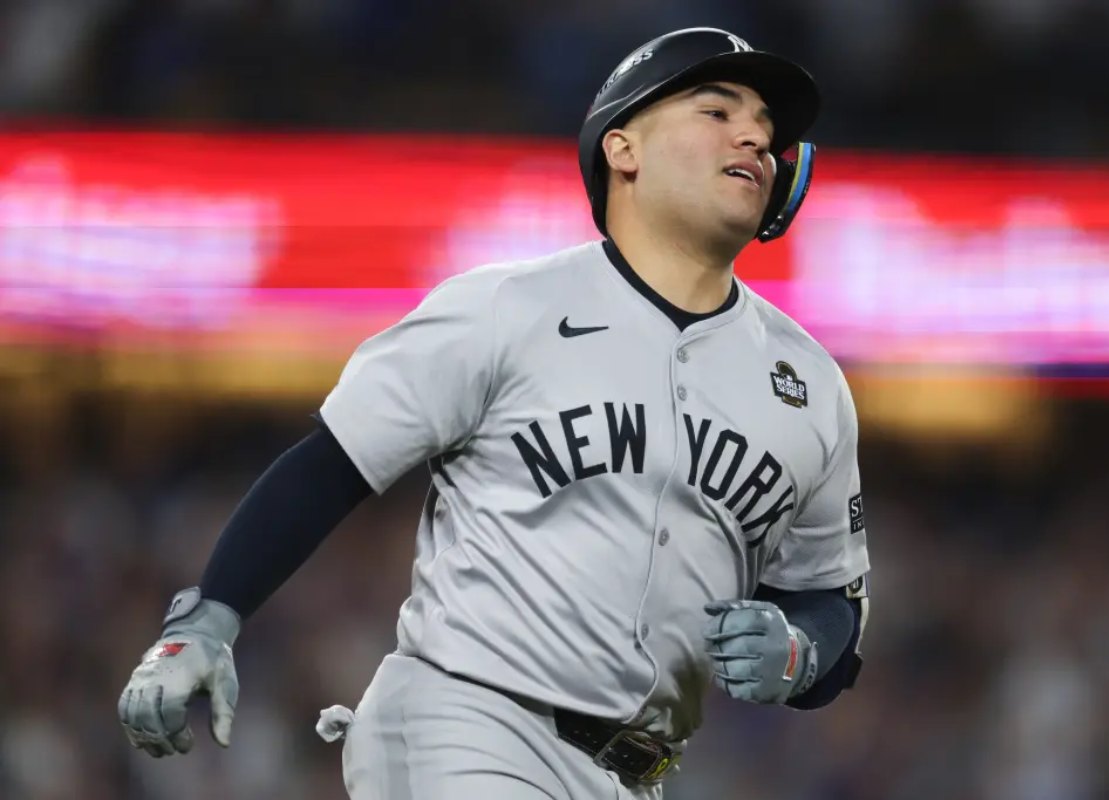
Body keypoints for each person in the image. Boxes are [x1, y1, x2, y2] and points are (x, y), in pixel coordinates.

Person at [118, 26, 871, 799]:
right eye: (717, 110)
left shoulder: (807, 382)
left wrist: (800, 651)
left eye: (767, 129)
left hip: (638, 775)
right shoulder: (509, 308)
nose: (755, 135)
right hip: (470, 725)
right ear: (624, 151)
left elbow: (831, 601)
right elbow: (332, 464)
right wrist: (207, 618)